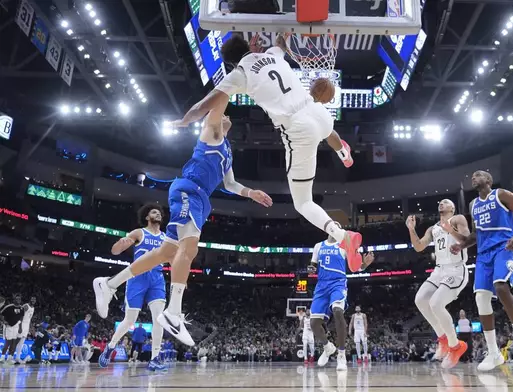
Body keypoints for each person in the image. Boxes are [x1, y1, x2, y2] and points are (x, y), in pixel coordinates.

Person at [167, 33, 363, 272]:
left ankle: (343, 236)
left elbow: (202, 106)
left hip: (298, 129)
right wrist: (285, 32)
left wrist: (184, 121)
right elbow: (280, 44)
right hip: (317, 112)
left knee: (303, 202)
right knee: (325, 130)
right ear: (249, 46)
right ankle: (343, 152)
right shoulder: (271, 54)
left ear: (230, 62)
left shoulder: (239, 74)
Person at [93, 114, 272, 347]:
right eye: (222, 113)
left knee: (166, 253)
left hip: (200, 198)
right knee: (189, 247)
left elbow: (229, 184)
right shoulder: (212, 134)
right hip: (189, 190)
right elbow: (218, 102)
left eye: (229, 115)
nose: (226, 116)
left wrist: (251, 193)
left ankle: (109, 284)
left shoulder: (227, 153)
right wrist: (238, 82)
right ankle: (173, 312)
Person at [449, 170, 513, 371]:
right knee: (481, 299)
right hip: (484, 254)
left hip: (505, 246)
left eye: (478, 174)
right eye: (472, 175)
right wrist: (461, 246)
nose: (473, 177)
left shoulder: (502, 195)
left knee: (501, 287)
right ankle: (494, 353)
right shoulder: (473, 205)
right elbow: (476, 234)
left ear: (488, 180)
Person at [98, 205, 167, 371]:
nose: (157, 213)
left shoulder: (166, 238)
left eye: (159, 212)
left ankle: (155, 358)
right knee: (130, 320)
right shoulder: (139, 233)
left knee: (159, 319)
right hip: (137, 278)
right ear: (146, 217)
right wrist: (121, 244)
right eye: (153, 212)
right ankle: (111, 346)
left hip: (157, 278)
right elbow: (115, 251)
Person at [407, 199, 470, 369]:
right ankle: (443, 339)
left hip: (456, 269)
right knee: (420, 300)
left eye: (445, 202)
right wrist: (411, 230)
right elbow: (419, 247)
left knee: (435, 303)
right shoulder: (432, 228)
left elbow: (467, 239)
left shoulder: (458, 219)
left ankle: (456, 346)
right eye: (440, 202)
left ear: (452, 208)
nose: (441, 203)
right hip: (439, 270)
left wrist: (452, 231)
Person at [308, 225, 375, 371]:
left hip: (338, 283)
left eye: (338, 227)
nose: (335, 228)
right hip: (321, 285)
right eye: (333, 226)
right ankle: (328, 347)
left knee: (338, 311)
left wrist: (365, 265)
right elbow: (312, 265)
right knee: (313, 323)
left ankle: (341, 354)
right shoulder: (318, 246)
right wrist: (311, 269)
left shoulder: (344, 247)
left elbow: (355, 267)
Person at [0, 295, 24, 364]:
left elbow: (21, 318)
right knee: (8, 342)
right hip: (9, 326)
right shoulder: (9, 307)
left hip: (16, 326)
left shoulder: (22, 308)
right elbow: (1, 314)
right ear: (14, 300)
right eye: (17, 299)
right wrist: (3, 321)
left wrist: (20, 327)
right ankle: (2, 357)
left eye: (19, 299)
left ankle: (9, 358)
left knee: (14, 343)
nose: (18, 300)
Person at [13, 296, 35, 364]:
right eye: (32, 299)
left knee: (21, 343)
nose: (33, 300)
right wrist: (19, 327)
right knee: (16, 342)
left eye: (34, 299)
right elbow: (20, 315)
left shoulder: (33, 308)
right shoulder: (26, 306)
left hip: (26, 327)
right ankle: (10, 357)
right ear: (30, 299)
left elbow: (29, 319)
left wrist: (31, 328)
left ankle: (17, 358)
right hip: (21, 325)